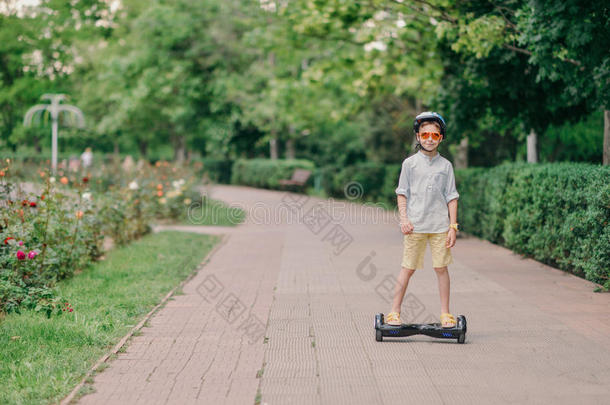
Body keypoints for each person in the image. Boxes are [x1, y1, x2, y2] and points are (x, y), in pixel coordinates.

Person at [386, 111, 460, 328]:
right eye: (425, 134)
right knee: (407, 268)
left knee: (441, 269)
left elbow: (452, 196)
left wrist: (452, 227)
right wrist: (404, 219)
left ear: (441, 138)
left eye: (434, 135)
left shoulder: (446, 166)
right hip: (415, 226)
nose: (429, 138)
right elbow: (402, 192)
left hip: (439, 226)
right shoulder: (409, 164)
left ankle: (446, 313)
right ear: (418, 136)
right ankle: (394, 311)